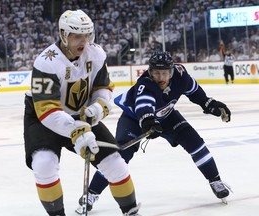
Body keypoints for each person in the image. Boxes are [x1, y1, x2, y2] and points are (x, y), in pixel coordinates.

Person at [77, 51, 232, 213]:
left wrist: (210, 104)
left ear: (171, 71)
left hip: (166, 116)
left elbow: (195, 92)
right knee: (117, 158)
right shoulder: (145, 84)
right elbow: (145, 106)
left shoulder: (181, 76)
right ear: (150, 72)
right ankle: (91, 194)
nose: (161, 78)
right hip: (134, 119)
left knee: (195, 142)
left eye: (165, 73)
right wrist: (149, 122)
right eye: (156, 73)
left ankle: (216, 181)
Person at [23, 9, 141, 216]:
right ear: (63, 35)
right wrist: (75, 130)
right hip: (43, 118)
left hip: (80, 114)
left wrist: (98, 108)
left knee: (114, 162)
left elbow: (103, 87)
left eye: (86, 35)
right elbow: (46, 110)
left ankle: (131, 211)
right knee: (44, 164)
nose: (83, 41)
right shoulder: (46, 61)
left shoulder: (95, 53)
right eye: (77, 35)